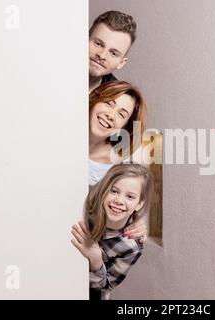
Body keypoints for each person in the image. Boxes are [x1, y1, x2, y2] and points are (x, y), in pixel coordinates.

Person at [71, 164, 153, 300]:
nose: (119, 200)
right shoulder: (86, 205)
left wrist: (96, 258)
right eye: (114, 191)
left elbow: (107, 285)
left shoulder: (132, 245)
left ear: (140, 203)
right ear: (104, 190)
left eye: (130, 197)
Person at [89, 80, 148, 242]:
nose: (110, 115)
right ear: (95, 101)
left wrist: (134, 220)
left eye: (121, 114)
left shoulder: (117, 168)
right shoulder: (61, 136)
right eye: (108, 103)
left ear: (125, 127)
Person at [89, 10, 137, 93]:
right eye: (98, 44)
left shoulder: (118, 100)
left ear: (121, 63)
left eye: (113, 53)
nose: (102, 55)